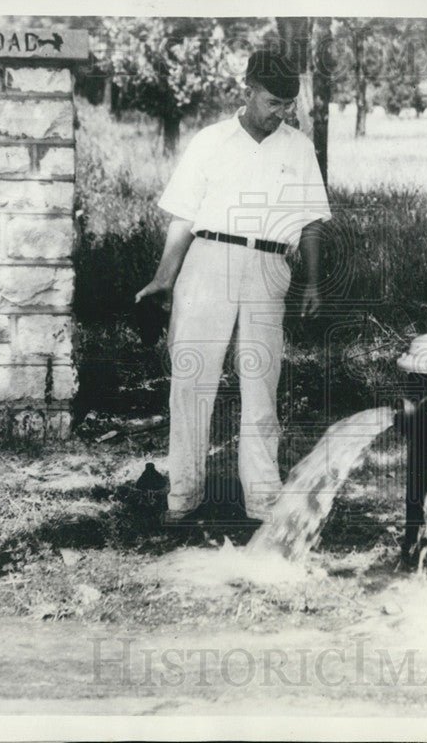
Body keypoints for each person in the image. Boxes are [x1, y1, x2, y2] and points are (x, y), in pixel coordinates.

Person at [135, 50, 331, 523]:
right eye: (271, 101)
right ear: (247, 88)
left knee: (261, 382)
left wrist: (313, 283)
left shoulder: (299, 148)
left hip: (269, 267)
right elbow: (184, 215)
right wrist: (165, 277)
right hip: (209, 261)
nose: (280, 112)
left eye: (288, 104)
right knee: (192, 379)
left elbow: (311, 224)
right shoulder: (209, 141)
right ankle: (183, 495)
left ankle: (263, 500)